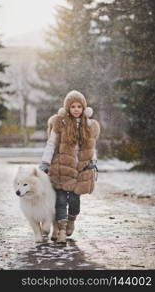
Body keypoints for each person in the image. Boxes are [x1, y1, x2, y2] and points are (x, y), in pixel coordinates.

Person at [39, 90, 100, 243]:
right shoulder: (60, 123)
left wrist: (93, 160)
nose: (76, 109)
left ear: (84, 108)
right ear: (68, 108)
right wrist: (45, 162)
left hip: (80, 171)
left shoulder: (89, 126)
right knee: (60, 201)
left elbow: (92, 147)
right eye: (73, 106)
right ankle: (61, 231)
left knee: (74, 201)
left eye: (79, 106)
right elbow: (51, 144)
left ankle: (71, 220)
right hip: (61, 169)